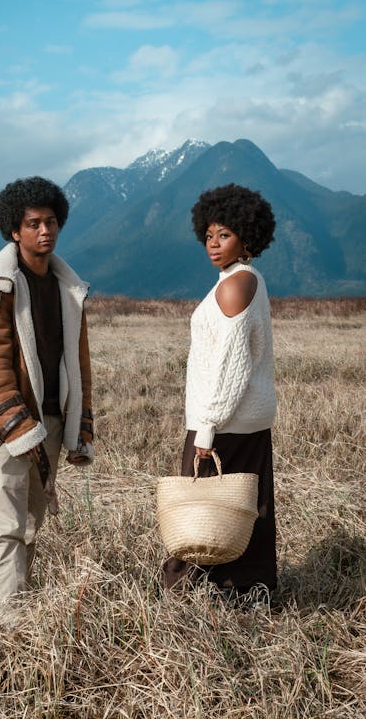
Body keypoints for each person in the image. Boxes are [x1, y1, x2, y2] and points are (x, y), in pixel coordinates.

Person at [0, 176, 93, 624]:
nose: (45, 231)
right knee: (5, 529)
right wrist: (22, 430)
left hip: (52, 424)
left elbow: (80, 365)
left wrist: (79, 427)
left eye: (51, 221)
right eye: (33, 223)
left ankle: (21, 610)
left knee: (32, 525)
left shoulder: (67, 288)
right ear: (14, 230)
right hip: (5, 430)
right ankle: (13, 628)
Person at [162, 183, 277, 598]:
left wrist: (207, 429)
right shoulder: (245, 279)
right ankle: (249, 592)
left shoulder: (234, 284)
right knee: (249, 506)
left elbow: (230, 366)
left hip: (224, 420)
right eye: (209, 235)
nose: (213, 244)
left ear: (247, 237)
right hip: (248, 417)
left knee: (199, 508)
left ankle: (182, 592)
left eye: (224, 235)